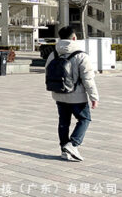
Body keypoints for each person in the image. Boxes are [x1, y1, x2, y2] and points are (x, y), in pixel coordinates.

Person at [45, 26, 99, 162]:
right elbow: (88, 79)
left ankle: (64, 149)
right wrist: (94, 97)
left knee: (64, 122)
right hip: (77, 96)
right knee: (84, 119)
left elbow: (48, 73)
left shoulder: (53, 54)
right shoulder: (81, 55)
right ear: (74, 38)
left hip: (59, 94)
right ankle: (73, 144)